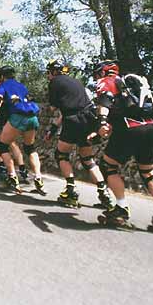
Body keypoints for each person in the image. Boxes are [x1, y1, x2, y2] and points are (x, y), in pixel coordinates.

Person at [93, 59, 153, 236]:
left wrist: (101, 122)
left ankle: (121, 208)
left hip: (129, 129)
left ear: (103, 72)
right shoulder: (132, 85)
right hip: (151, 128)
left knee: (108, 166)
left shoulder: (107, 81)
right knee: (149, 172)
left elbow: (105, 100)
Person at [44, 59, 114, 209]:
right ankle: (104, 194)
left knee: (61, 155)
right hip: (88, 118)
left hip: (73, 119)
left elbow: (55, 109)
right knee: (87, 158)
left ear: (53, 72)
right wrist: (54, 128)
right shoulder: (76, 82)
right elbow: (71, 107)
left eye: (48, 73)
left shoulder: (55, 82)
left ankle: (71, 191)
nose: (48, 76)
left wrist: (52, 129)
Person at [0, 66, 45, 194]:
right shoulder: (22, 86)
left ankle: (12, 177)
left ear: (2, 76)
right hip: (32, 117)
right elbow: (30, 99)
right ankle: (38, 177)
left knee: (3, 146)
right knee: (30, 148)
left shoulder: (3, 86)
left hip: (18, 116)